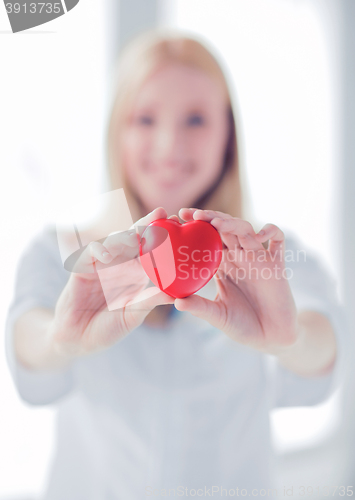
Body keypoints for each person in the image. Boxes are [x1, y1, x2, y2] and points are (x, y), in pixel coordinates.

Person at [5, 31, 348, 499]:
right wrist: (59, 338)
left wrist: (291, 339)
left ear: (229, 135)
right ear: (116, 132)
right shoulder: (63, 253)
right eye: (145, 119)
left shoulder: (269, 258)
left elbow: (323, 348)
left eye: (196, 119)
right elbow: (28, 339)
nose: (169, 146)